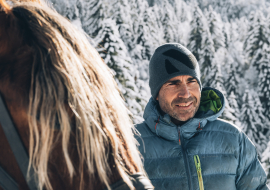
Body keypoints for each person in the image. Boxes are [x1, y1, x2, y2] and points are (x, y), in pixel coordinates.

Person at [136, 43, 269, 190]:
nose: (186, 94)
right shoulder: (130, 144)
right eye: (173, 83)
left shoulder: (233, 139)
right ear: (156, 94)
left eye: (191, 81)